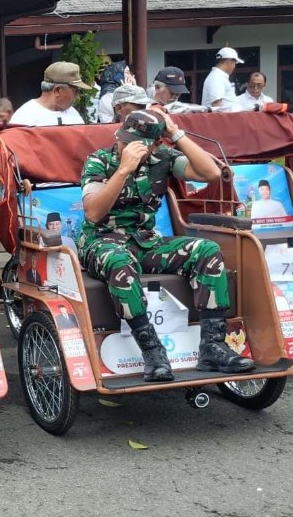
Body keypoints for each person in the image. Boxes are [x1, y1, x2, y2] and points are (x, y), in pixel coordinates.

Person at [79, 109, 255, 382]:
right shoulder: (100, 160)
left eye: (137, 143)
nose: (127, 146)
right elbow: (93, 212)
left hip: (146, 241)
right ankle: (152, 351)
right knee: (119, 262)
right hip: (102, 241)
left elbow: (211, 173)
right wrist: (124, 168)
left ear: (156, 144)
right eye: (125, 139)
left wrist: (176, 133)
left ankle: (213, 347)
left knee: (206, 250)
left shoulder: (163, 157)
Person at [9, 62, 90, 126]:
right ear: (57, 91)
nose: (77, 96)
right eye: (75, 91)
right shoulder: (25, 116)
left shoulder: (72, 112)